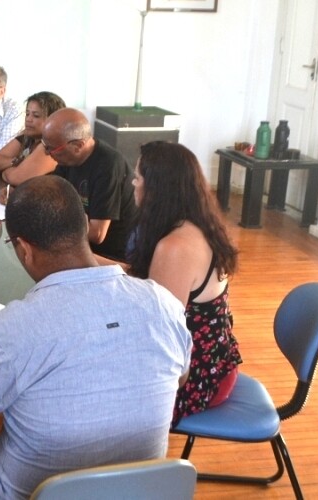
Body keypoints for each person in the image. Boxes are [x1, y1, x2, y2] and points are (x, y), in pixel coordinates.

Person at [0, 175, 191, 500]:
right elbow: (180, 377)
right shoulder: (162, 302)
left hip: (28, 492)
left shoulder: (16, 325)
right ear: (84, 225)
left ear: (24, 248)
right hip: (140, 489)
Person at [127, 141, 242, 425]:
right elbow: (146, 281)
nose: (133, 183)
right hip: (211, 359)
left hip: (198, 375)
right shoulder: (195, 223)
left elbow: (161, 334)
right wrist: (89, 263)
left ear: (157, 189)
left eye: (138, 178)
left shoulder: (176, 247)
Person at [43, 108, 136, 262]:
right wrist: (20, 193)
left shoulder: (108, 166)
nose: (47, 153)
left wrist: (56, 221)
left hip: (109, 256)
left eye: (51, 148)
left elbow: (97, 234)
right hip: (79, 243)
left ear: (78, 145)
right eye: (45, 146)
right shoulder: (69, 158)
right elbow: (52, 187)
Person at [0, 91, 66, 186]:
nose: (28, 119)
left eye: (36, 116)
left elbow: (15, 178)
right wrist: (18, 161)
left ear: (52, 119)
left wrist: (6, 171)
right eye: (27, 114)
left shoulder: (51, 145)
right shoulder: (27, 136)